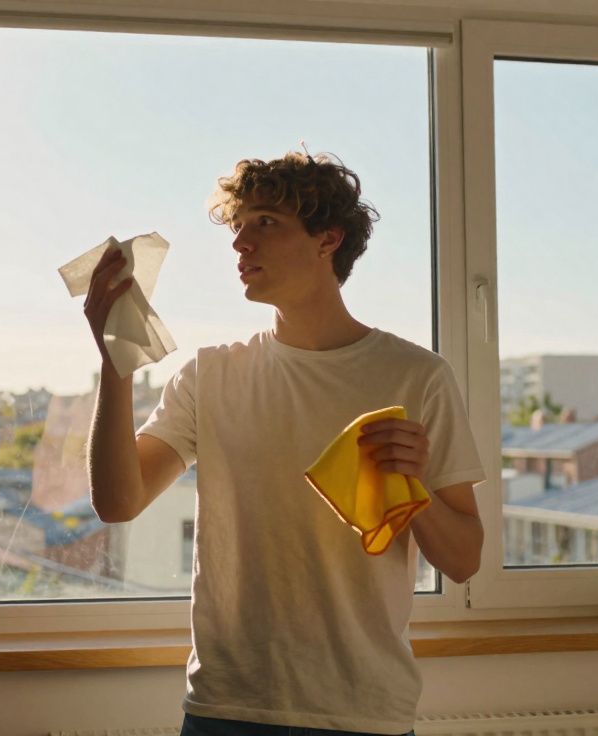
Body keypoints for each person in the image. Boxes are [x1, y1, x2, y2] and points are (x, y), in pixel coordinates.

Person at [82, 152, 486, 736]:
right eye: (238, 226)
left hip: (364, 712)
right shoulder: (210, 375)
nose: (240, 243)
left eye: (265, 222)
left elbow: (465, 560)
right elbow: (118, 502)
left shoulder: (417, 377)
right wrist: (115, 358)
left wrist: (413, 485)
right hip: (226, 707)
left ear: (329, 239)